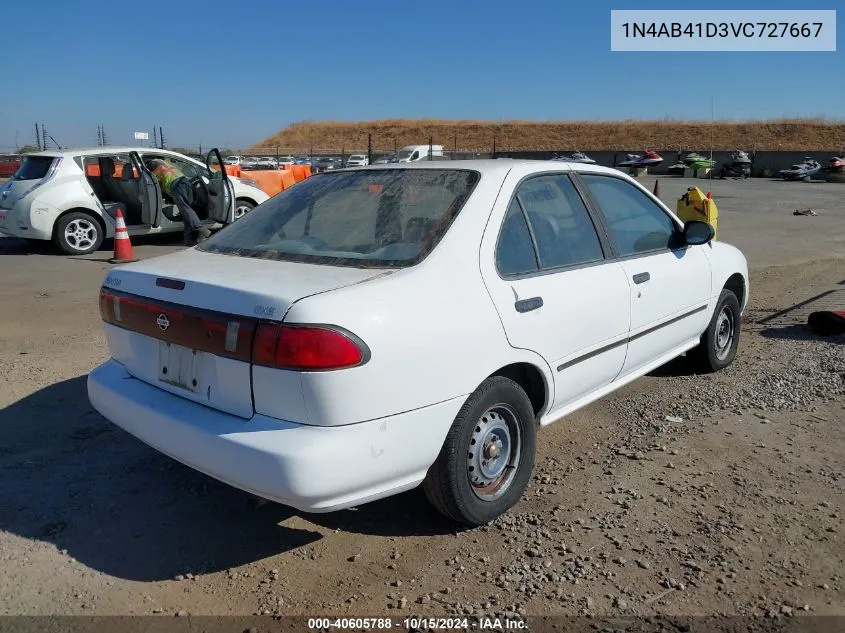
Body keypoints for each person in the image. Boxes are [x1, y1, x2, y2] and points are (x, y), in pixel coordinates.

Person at [146, 159, 211, 246]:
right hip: (183, 182)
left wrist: (151, 175)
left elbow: (159, 169)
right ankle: (190, 239)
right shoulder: (163, 161)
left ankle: (200, 229)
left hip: (176, 185)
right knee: (186, 212)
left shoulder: (153, 163)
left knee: (185, 209)